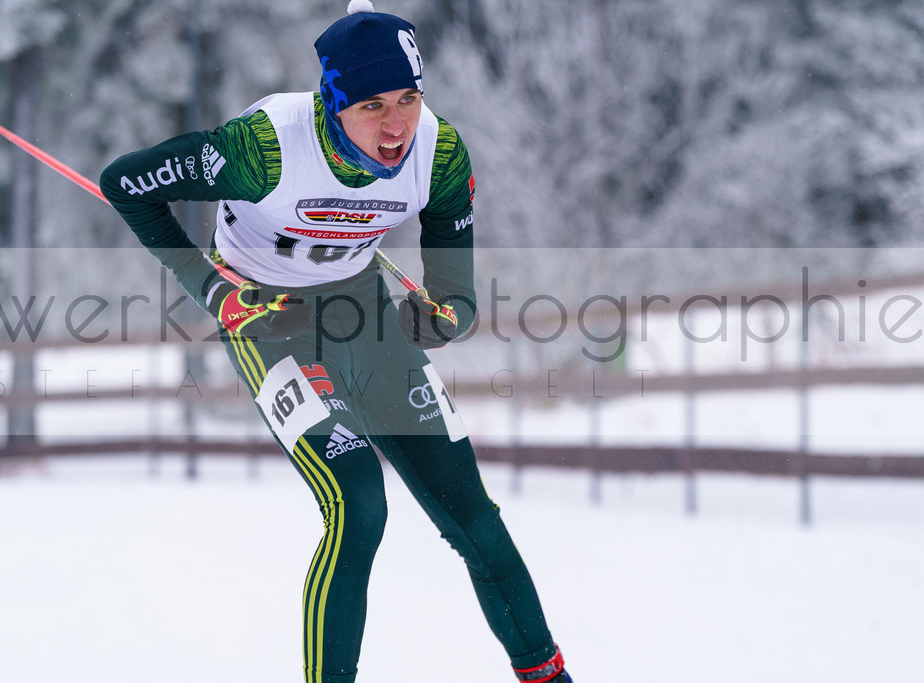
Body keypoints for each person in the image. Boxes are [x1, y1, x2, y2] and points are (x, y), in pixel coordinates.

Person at [99, 2, 573, 682]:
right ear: (333, 104)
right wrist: (209, 288)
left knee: (473, 514)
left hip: (363, 315)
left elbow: (455, 293)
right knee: (357, 503)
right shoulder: (261, 150)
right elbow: (125, 183)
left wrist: (441, 318)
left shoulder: (438, 153)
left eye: (409, 98)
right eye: (373, 106)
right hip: (270, 319)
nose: (396, 125)